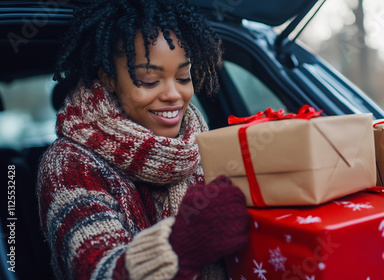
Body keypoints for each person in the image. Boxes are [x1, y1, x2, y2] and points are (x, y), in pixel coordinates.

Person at [36, 0, 250, 279]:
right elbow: (97, 270)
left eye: (183, 77)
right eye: (149, 80)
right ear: (109, 79)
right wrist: (181, 247)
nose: (174, 94)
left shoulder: (204, 144)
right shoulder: (68, 164)